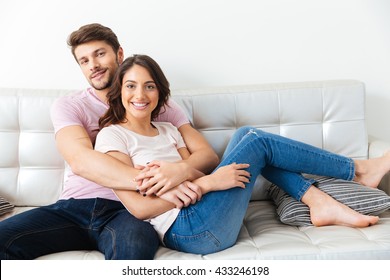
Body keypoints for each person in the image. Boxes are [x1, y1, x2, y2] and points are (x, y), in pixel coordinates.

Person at [94, 54, 390, 254]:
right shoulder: (112, 136)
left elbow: (197, 168)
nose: (140, 95)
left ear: (160, 92)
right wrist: (207, 183)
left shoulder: (168, 130)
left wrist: (185, 173)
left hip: (204, 213)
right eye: (131, 86)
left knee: (244, 136)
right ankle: (358, 170)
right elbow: (139, 208)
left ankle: (318, 200)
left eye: (149, 86)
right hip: (188, 231)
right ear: (119, 90)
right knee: (255, 140)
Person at [0, 23, 218, 260]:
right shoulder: (70, 105)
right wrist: (157, 183)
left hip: (127, 211)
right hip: (75, 206)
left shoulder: (154, 103)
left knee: (133, 249)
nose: (93, 65)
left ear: (119, 54)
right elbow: (81, 161)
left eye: (100, 54)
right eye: (84, 61)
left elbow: (205, 155)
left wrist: (179, 171)